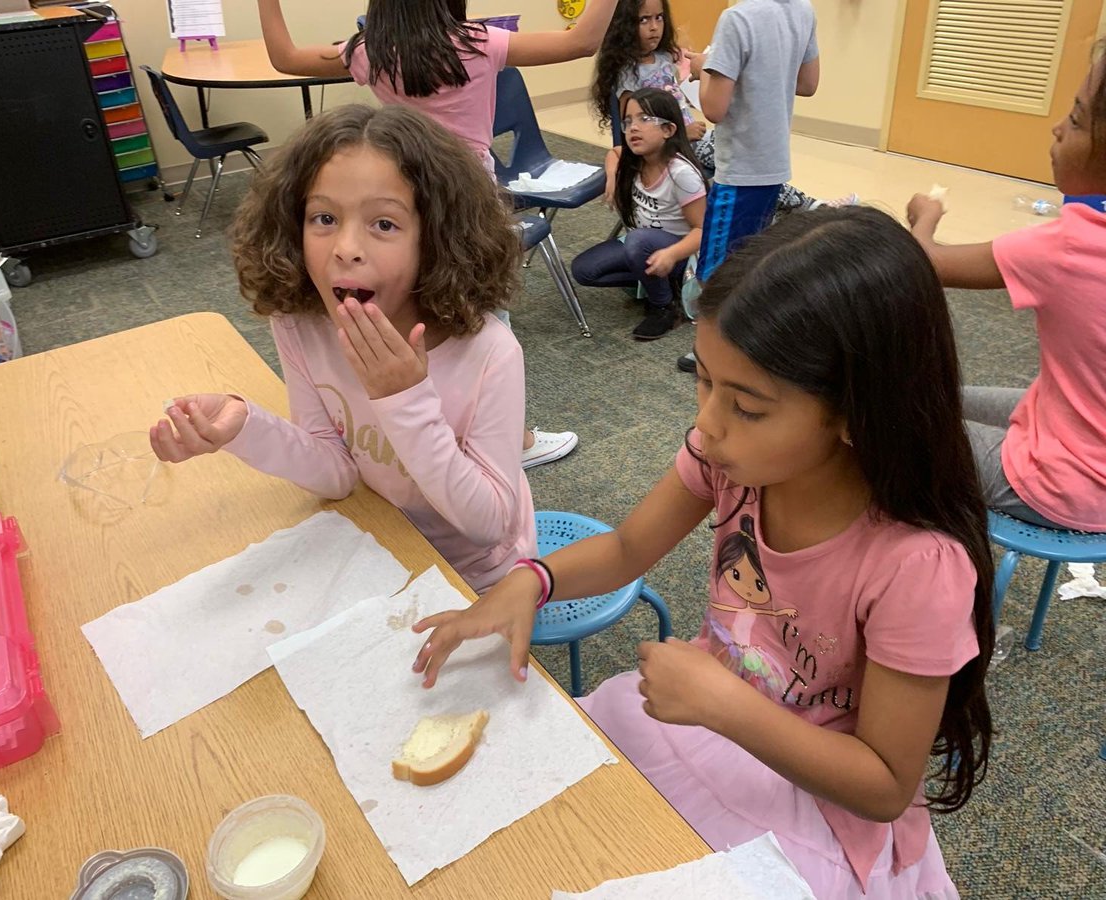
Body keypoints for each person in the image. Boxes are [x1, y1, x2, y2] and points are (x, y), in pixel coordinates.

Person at [411, 207, 996, 897]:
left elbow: (886, 785)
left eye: (746, 407)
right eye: (703, 379)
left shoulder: (916, 566)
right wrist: (532, 580)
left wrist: (727, 706)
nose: (707, 424)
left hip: (817, 801)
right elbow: (628, 548)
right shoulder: (729, 461)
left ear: (852, 413)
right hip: (706, 716)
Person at [148, 105, 538, 593]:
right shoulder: (301, 325)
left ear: (436, 240)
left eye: (385, 225)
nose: (346, 247)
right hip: (381, 543)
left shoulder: (489, 352)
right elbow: (336, 473)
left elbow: (490, 525)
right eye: (325, 218)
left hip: (480, 575)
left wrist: (406, 400)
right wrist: (242, 425)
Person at [254, 0, 601, 467]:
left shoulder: (369, 52)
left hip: (397, 212)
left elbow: (285, 58)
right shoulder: (477, 43)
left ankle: (413, 429)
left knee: (410, 318)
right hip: (463, 210)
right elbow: (580, 41)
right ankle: (509, 441)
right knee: (484, 326)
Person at [906, 43, 1106, 533]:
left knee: (886, 422)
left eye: (1077, 121)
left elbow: (922, 262)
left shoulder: (1070, 245)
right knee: (940, 396)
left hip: (1065, 482)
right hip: (1074, 434)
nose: (1059, 128)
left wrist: (925, 218)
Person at [590, 0, 843, 218]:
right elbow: (632, 128)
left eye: (659, 18)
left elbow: (674, 99)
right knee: (731, 151)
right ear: (624, 26)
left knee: (730, 150)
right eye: (643, 20)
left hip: (687, 136)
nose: (654, 27)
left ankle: (804, 205)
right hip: (672, 142)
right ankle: (809, 205)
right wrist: (680, 133)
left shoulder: (665, 59)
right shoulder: (628, 73)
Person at [675, 0, 822, 375]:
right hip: (772, 161)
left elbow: (713, 108)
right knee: (751, 258)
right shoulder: (802, 10)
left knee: (716, 269)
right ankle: (746, 340)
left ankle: (713, 353)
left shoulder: (737, 18)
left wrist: (699, 67)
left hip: (739, 167)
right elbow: (808, 84)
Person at [571, 89, 705, 340]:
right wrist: (612, 176)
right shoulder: (636, 159)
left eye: (644, 119)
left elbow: (701, 230)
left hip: (679, 252)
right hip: (642, 245)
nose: (633, 128)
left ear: (668, 130)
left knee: (638, 241)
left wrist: (671, 254)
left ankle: (663, 306)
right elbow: (614, 153)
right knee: (584, 270)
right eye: (629, 121)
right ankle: (658, 282)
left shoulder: (682, 173)